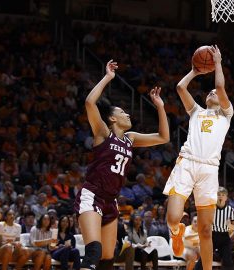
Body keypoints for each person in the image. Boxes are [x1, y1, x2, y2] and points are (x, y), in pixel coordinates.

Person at [74, 60, 169, 270]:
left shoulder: (130, 138)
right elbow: (90, 103)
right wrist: (108, 78)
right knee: (93, 252)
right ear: (112, 119)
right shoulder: (102, 133)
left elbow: (163, 137)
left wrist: (160, 107)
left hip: (111, 201)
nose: (127, 114)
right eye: (122, 112)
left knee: (108, 259)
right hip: (92, 195)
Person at [164, 45, 233, 270]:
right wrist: (195, 71)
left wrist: (218, 62)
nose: (213, 92)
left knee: (206, 230)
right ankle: (176, 232)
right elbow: (180, 87)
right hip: (187, 163)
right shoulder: (196, 112)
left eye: (215, 93)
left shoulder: (226, 113)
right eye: (210, 92)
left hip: (209, 170)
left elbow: (220, 85)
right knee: (174, 217)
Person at [196, 186, 234, 270]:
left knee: (228, 261)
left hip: (224, 237)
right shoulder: (211, 208)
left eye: (223, 195)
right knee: (204, 257)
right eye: (218, 195)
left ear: (226, 197)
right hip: (212, 236)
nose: (221, 196)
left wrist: (230, 225)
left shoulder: (230, 210)